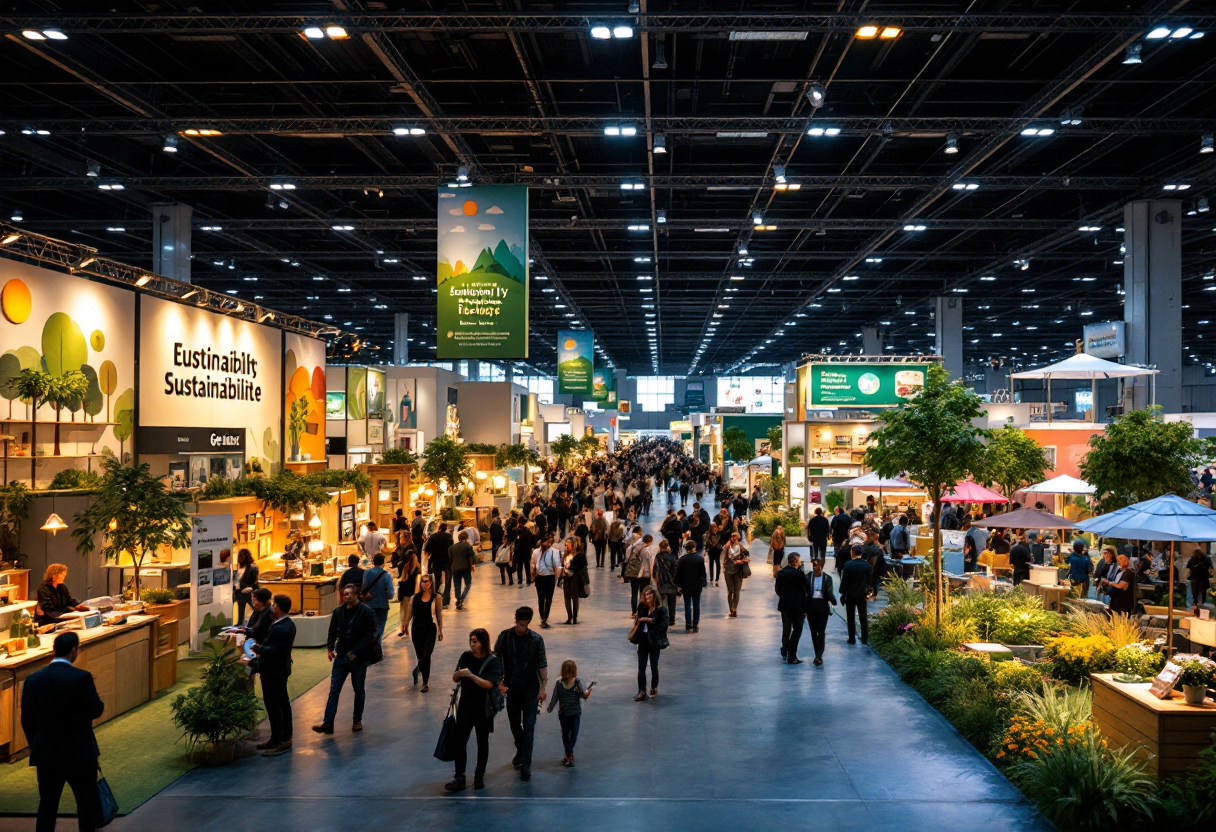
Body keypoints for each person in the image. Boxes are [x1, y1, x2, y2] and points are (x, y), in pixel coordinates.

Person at [21, 632, 104, 832]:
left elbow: (26, 719)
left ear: (53, 650)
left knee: (47, 806)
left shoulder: (32, 680)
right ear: (74, 650)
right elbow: (97, 709)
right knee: (86, 806)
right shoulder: (81, 677)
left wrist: (37, 744)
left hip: (47, 752)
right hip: (80, 752)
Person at [314, 583, 378, 735]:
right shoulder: (338, 612)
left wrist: (356, 651)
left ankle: (357, 720)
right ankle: (328, 723)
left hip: (358, 659)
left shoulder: (366, 612)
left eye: (349, 594)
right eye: (345, 594)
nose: (346, 596)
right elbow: (332, 630)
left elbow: (372, 634)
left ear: (356, 595)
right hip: (341, 657)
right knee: (334, 691)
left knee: (358, 690)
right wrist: (330, 647)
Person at [493, 607, 548, 781]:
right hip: (511, 687)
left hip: (530, 687)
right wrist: (499, 682)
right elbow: (496, 658)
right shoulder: (504, 636)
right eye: (519, 619)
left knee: (529, 724)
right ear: (515, 618)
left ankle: (526, 763)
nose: (521, 623)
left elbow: (542, 663)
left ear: (529, 621)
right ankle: (521, 749)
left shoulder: (537, 640)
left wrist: (543, 687)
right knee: (515, 723)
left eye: (525, 620)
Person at [445, 628, 503, 793]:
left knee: (482, 742)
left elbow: (489, 684)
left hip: (483, 709)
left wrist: (470, 675)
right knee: (459, 742)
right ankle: (459, 777)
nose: (472, 644)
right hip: (465, 706)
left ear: (483, 642)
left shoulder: (493, 661)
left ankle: (479, 775)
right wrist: (459, 673)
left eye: (475, 641)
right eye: (471, 640)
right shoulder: (466, 656)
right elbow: (455, 678)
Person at [251, 594, 296, 757]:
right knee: (280, 703)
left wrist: (258, 649)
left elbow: (277, 651)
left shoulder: (280, 627)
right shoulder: (286, 624)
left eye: (274, 605)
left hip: (274, 671)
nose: (271, 608)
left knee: (275, 705)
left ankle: (282, 740)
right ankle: (277, 737)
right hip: (278, 670)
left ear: (278, 608)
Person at [547, 659, 595, 767]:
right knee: (565, 734)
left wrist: (590, 688)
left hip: (575, 714)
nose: (568, 674)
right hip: (563, 714)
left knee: (573, 735)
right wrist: (550, 707)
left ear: (573, 672)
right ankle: (569, 754)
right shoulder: (559, 683)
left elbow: (584, 694)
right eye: (566, 671)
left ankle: (568, 753)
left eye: (570, 671)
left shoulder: (578, 682)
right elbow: (555, 696)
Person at [402, 573, 443, 691]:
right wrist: (405, 625)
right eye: (422, 581)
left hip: (430, 628)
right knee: (420, 657)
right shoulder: (415, 597)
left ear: (431, 583)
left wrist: (440, 630)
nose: (424, 583)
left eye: (426, 581)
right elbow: (409, 612)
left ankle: (425, 682)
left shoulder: (437, 598)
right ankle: (417, 671)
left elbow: (439, 614)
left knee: (427, 656)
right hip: (417, 629)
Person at [631, 586, 669, 701]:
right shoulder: (641, 607)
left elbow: (663, 627)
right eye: (645, 594)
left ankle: (653, 687)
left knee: (654, 666)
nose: (647, 597)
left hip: (654, 641)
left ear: (654, 595)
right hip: (643, 639)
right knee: (641, 666)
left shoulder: (661, 610)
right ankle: (641, 691)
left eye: (649, 594)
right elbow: (638, 623)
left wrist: (650, 621)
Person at [774, 553, 808, 664]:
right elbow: (804, 592)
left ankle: (784, 649)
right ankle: (792, 655)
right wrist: (805, 608)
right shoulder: (799, 575)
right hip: (797, 606)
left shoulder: (781, 573)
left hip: (785, 605)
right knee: (797, 629)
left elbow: (777, 589)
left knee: (786, 628)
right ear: (796, 561)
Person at [805, 559, 838, 665]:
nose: (817, 568)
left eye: (819, 566)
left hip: (822, 606)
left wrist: (832, 600)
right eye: (815, 566)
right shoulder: (808, 577)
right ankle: (816, 653)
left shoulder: (827, 578)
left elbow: (830, 592)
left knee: (821, 631)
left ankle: (819, 655)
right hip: (811, 605)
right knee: (813, 631)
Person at [838, 545, 872, 645]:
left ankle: (851, 638)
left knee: (851, 617)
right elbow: (869, 581)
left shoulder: (848, 565)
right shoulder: (867, 565)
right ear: (861, 553)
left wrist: (842, 592)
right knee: (863, 617)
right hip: (862, 595)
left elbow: (845, 580)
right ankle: (865, 638)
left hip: (851, 594)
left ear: (852, 552)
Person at [675, 540, 707, 633]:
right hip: (697, 585)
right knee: (696, 605)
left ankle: (688, 625)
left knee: (687, 605)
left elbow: (679, 574)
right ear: (694, 547)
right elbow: (703, 573)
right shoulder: (700, 559)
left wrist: (679, 585)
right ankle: (696, 625)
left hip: (686, 585)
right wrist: (704, 583)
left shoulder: (682, 559)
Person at [360, 552, 395, 638]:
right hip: (382, 605)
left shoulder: (366, 573)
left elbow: (364, 588)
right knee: (379, 629)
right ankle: (377, 647)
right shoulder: (386, 575)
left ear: (373, 562)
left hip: (369, 604)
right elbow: (391, 594)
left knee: (370, 629)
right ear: (383, 563)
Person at [532, 534, 562, 629]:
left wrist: (557, 578)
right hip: (539, 577)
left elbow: (557, 565)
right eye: (546, 542)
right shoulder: (536, 552)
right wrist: (533, 573)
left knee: (548, 598)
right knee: (541, 598)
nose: (547, 544)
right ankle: (542, 616)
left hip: (550, 577)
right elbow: (533, 563)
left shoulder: (555, 552)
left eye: (549, 542)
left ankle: (545, 616)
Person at [424, 522, 455, 607]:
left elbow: (427, 550)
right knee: (448, 581)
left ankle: (436, 598)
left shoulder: (433, 537)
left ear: (439, 528)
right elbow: (451, 550)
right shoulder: (449, 537)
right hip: (447, 561)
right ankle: (446, 601)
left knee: (436, 580)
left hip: (436, 560)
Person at [623, 531, 653, 615]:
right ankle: (641, 611)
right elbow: (648, 564)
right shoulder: (646, 551)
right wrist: (650, 575)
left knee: (634, 593)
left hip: (633, 573)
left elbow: (628, 558)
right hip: (643, 575)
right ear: (650, 542)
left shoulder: (634, 547)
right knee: (643, 594)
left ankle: (634, 612)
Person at [561, 536, 588, 625]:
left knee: (574, 596)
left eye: (568, 544)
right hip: (566, 577)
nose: (566, 546)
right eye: (566, 544)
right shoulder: (565, 554)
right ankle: (569, 616)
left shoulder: (579, 555)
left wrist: (571, 567)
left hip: (575, 577)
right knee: (567, 597)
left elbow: (582, 565)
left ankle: (575, 616)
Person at [722, 532, 749, 618]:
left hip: (738, 570)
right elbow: (724, 558)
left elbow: (746, 554)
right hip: (728, 569)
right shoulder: (727, 546)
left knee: (736, 591)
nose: (734, 539)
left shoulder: (741, 547)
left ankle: (734, 609)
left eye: (735, 538)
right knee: (731, 591)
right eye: (733, 537)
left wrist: (744, 560)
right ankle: (731, 609)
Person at [395, 542, 420, 635]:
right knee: (409, 609)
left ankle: (402, 627)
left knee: (403, 609)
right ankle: (406, 627)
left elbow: (400, 577)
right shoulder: (416, 566)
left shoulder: (402, 565)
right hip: (411, 589)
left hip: (402, 588)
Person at [448, 530, 477, 611]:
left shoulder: (452, 548)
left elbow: (450, 559)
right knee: (468, 584)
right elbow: (472, 557)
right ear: (467, 537)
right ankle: (461, 599)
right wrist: (473, 565)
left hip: (455, 568)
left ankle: (458, 601)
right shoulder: (468, 546)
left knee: (457, 586)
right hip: (465, 568)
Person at [235, 548, 259, 626]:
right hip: (240, 592)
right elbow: (237, 580)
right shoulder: (239, 568)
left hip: (249, 592)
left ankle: (258, 622)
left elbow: (255, 581)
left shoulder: (253, 568)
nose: (239, 559)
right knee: (241, 611)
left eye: (240, 557)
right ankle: (240, 624)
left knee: (256, 608)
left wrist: (251, 588)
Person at [704, 517, 724, 587]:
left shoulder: (717, 533)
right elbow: (706, 542)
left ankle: (716, 577)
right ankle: (713, 577)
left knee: (716, 563)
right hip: (713, 549)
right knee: (712, 563)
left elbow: (721, 541)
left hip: (715, 549)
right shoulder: (710, 534)